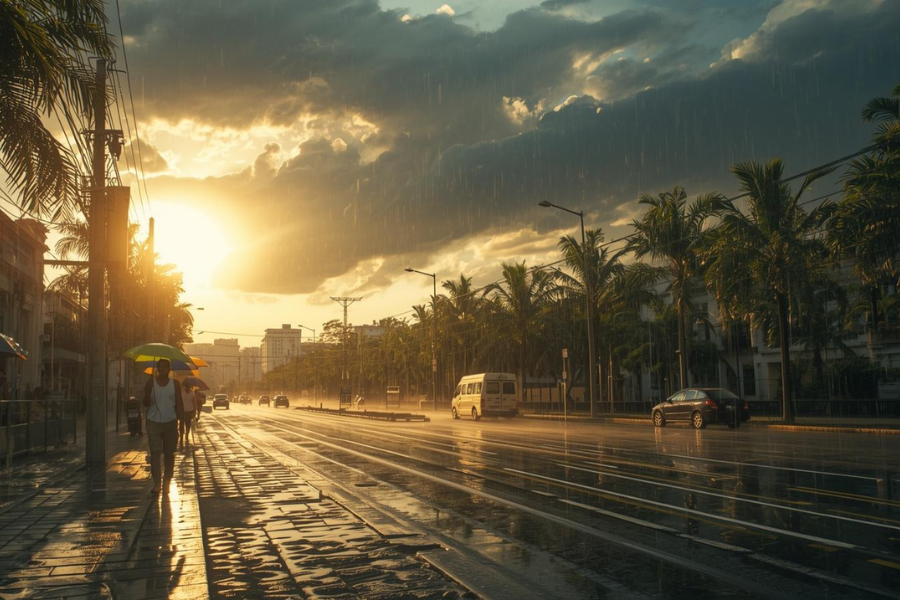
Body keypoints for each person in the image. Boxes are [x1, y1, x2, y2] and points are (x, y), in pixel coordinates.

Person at [142, 359, 184, 495]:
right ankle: (157, 483)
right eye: (161, 367)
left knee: (168, 454)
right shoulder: (151, 383)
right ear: (157, 369)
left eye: (166, 367)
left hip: (170, 421)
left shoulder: (175, 384)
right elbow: (146, 403)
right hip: (153, 421)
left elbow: (179, 403)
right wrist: (148, 390)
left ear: (169, 369)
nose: (163, 369)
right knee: (155, 453)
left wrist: (180, 424)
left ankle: (167, 480)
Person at [178, 381, 196, 451]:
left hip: (187, 410)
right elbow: (194, 403)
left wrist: (194, 411)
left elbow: (194, 402)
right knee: (184, 424)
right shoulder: (186, 392)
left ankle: (184, 435)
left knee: (185, 424)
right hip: (185, 410)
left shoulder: (189, 393)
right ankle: (184, 435)